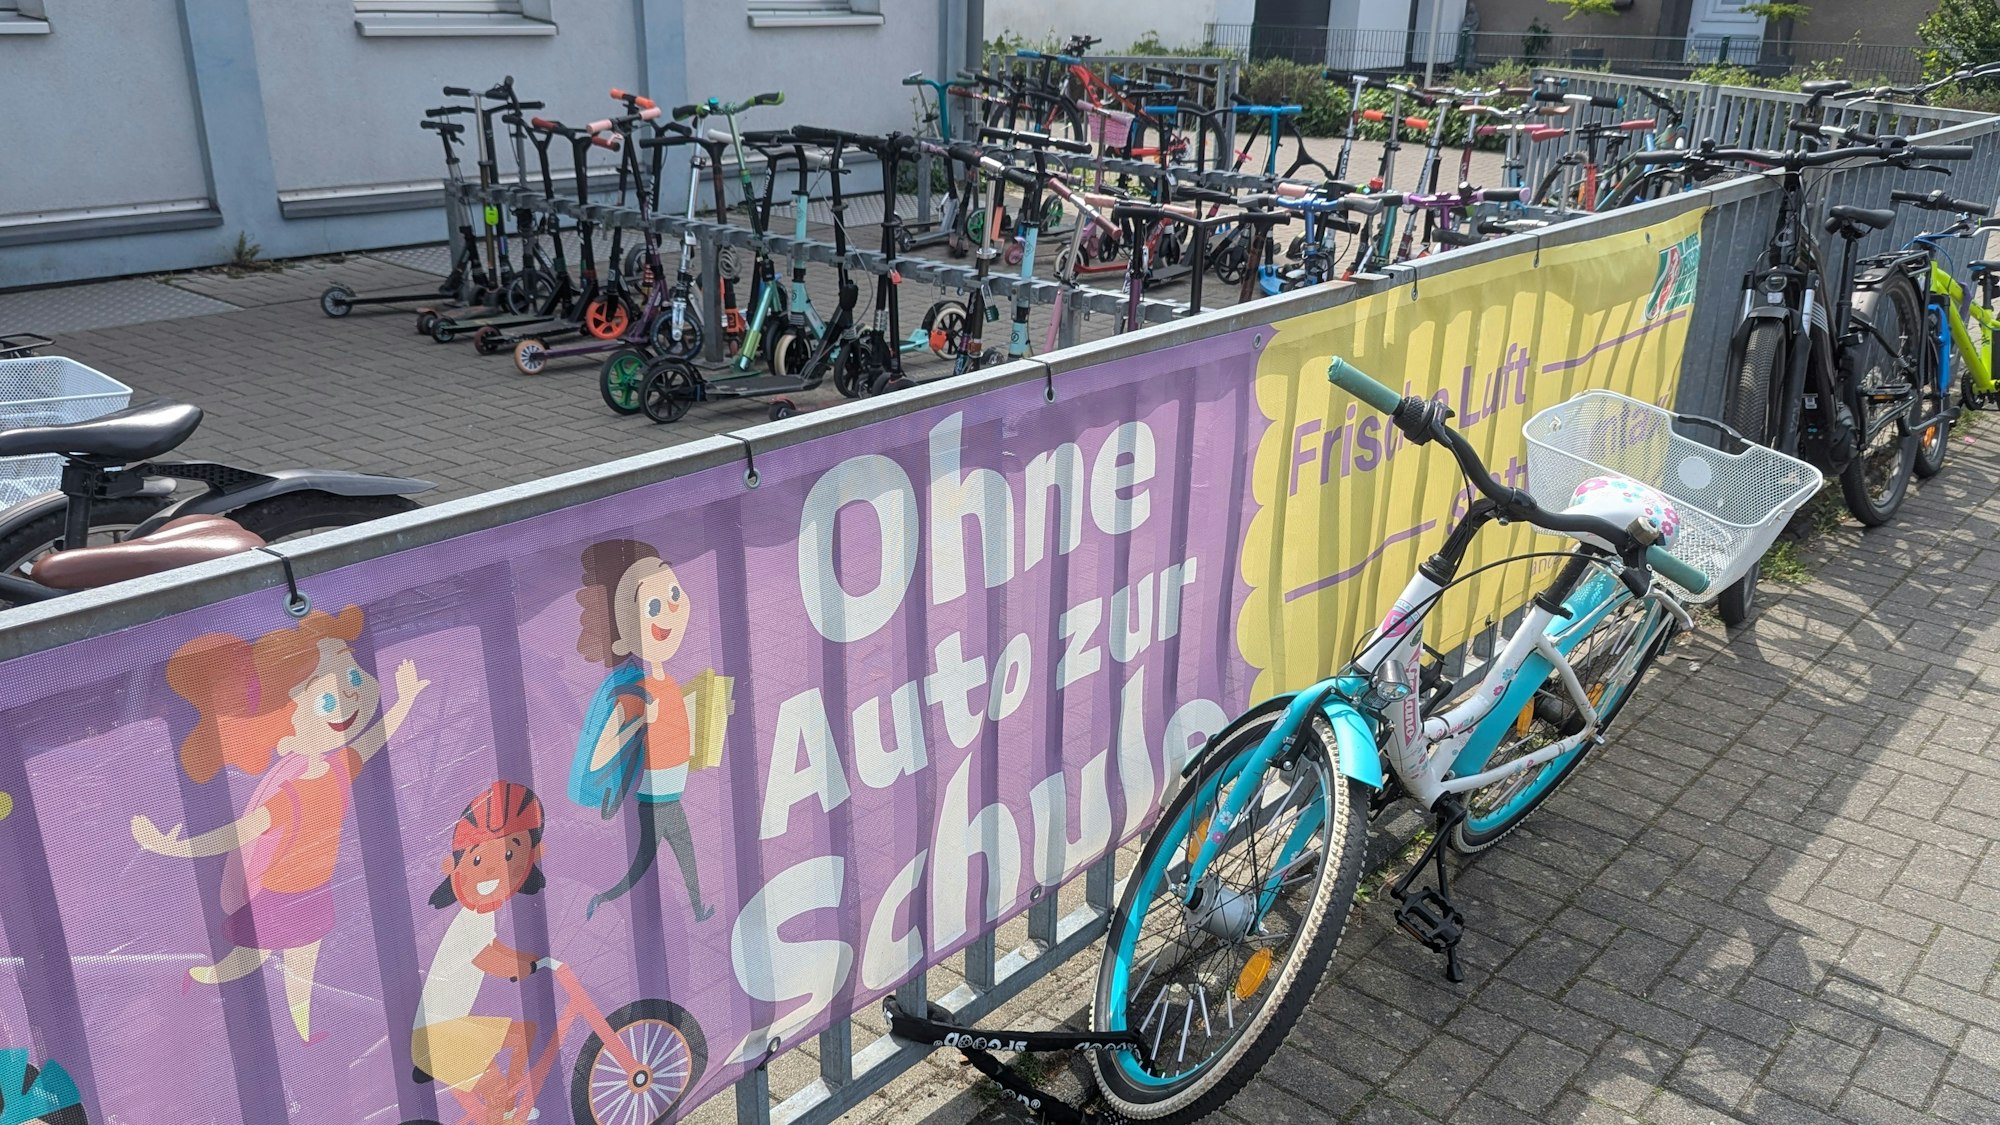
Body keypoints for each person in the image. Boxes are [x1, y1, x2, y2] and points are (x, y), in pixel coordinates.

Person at [133, 607, 427, 1043]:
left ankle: (303, 1032)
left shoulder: (340, 763)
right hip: (274, 891)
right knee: (250, 957)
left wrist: (404, 700)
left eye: (353, 682)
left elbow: (371, 737)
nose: (348, 704)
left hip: (314, 888)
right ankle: (202, 977)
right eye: (326, 699)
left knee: (302, 964)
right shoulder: (288, 793)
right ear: (288, 723)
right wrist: (172, 848)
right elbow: (240, 833)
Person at [573, 539, 714, 922]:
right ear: (621, 635)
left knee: (673, 855)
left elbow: (678, 736)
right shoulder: (633, 692)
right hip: (653, 801)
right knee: (641, 868)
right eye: (652, 607)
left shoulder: (665, 680)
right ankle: (608, 900)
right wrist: (636, 723)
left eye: (673, 594)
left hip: (672, 794)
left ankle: (697, 907)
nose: (670, 611)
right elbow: (598, 756)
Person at [410, 781, 548, 1104]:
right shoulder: (470, 920)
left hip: (449, 1028)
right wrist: (522, 966)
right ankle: (503, 1107)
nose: (493, 870)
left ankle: (515, 1098)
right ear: (453, 870)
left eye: (509, 854)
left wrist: (525, 961)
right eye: (477, 861)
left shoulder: (482, 915)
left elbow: (493, 948)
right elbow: (486, 957)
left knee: (523, 1034)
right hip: (439, 1037)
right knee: (494, 1093)